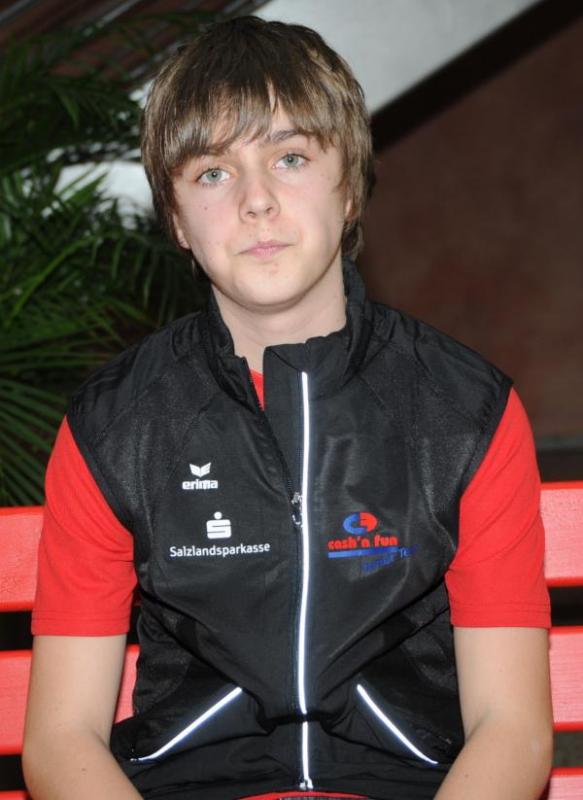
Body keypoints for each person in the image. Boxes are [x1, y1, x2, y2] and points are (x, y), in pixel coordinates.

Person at [23, 15, 553, 800]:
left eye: (291, 158)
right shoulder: (115, 427)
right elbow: (60, 740)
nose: (256, 202)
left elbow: (510, 729)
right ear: (176, 218)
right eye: (212, 173)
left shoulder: (463, 412)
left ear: (351, 187)